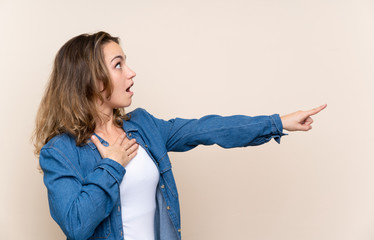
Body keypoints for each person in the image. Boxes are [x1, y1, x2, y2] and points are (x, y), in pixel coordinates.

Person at [33, 31, 326, 240]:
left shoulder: (143, 127)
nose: (131, 72)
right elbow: (76, 225)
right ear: (92, 80)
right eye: (118, 65)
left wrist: (277, 122)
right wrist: (111, 165)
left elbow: (205, 128)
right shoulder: (60, 152)